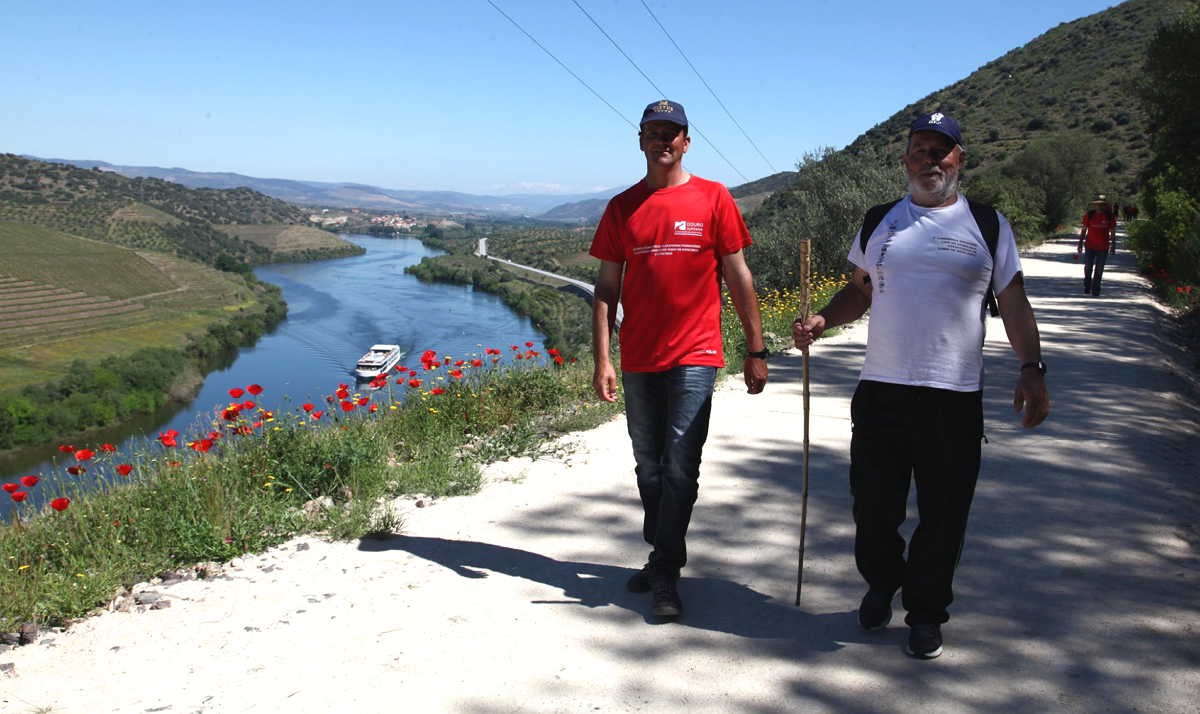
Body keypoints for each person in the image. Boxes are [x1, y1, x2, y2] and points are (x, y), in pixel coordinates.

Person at [792, 111, 1050, 659]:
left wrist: (1032, 369)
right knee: (873, 509)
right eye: (919, 150)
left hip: (953, 395)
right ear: (905, 158)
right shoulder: (880, 219)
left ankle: (927, 612)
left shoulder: (988, 224)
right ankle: (883, 583)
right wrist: (822, 319)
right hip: (882, 388)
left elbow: (1014, 303)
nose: (929, 160)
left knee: (944, 514)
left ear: (960, 158)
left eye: (941, 150)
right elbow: (859, 292)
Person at [590, 99, 768, 619]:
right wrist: (601, 359)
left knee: (680, 466)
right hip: (638, 356)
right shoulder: (622, 207)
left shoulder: (714, 198)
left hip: (697, 352)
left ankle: (665, 571)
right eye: (653, 132)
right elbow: (605, 290)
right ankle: (664, 551)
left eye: (672, 133)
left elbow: (739, 277)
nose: (663, 140)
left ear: (686, 142)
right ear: (641, 140)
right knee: (648, 464)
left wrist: (755, 350)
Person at [1076, 197, 1118, 296]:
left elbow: (1112, 232)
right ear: (1095, 205)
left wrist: (1113, 245)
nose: (1100, 206)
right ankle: (1087, 285)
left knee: (1099, 268)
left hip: (1103, 247)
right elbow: (1084, 230)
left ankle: (1096, 288)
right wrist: (1080, 242)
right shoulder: (1089, 215)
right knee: (1088, 267)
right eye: (1098, 204)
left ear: (1105, 206)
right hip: (1090, 246)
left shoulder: (1109, 217)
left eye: (1102, 204)